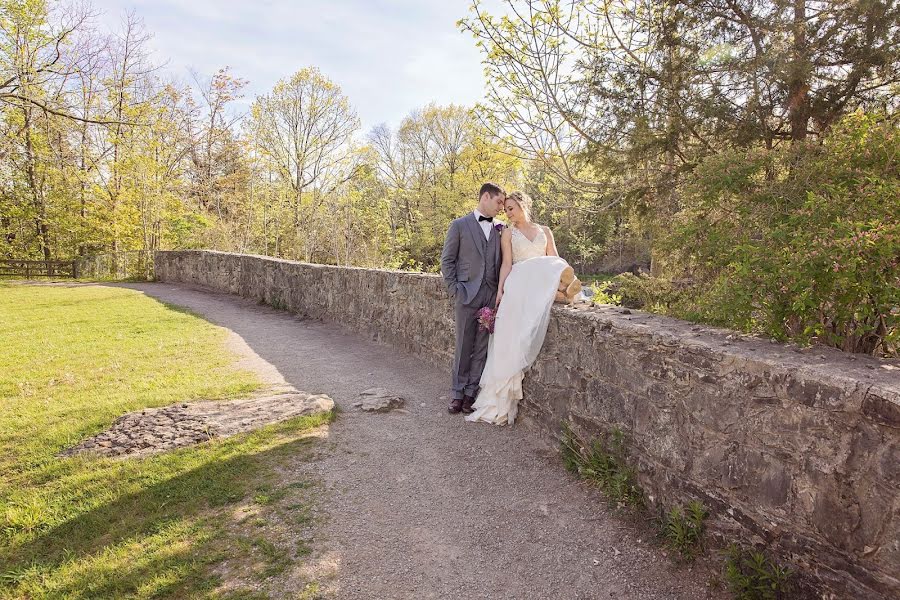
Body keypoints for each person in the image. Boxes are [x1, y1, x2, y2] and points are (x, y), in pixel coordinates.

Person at [466, 191, 581, 426]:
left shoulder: (545, 231)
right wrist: (500, 291)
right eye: (505, 209)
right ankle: (564, 292)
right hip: (520, 280)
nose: (507, 213)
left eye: (511, 208)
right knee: (538, 267)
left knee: (553, 264)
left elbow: (557, 259)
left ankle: (561, 289)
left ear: (523, 205)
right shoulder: (508, 233)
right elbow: (507, 263)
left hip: (541, 279)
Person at [440, 182, 506, 415]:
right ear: (485, 197)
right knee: (463, 344)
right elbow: (447, 261)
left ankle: (470, 394)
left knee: (481, 348)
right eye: (499, 202)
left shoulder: (501, 228)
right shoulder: (459, 225)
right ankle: (457, 394)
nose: (501, 207)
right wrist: (455, 289)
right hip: (466, 294)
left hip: (490, 294)